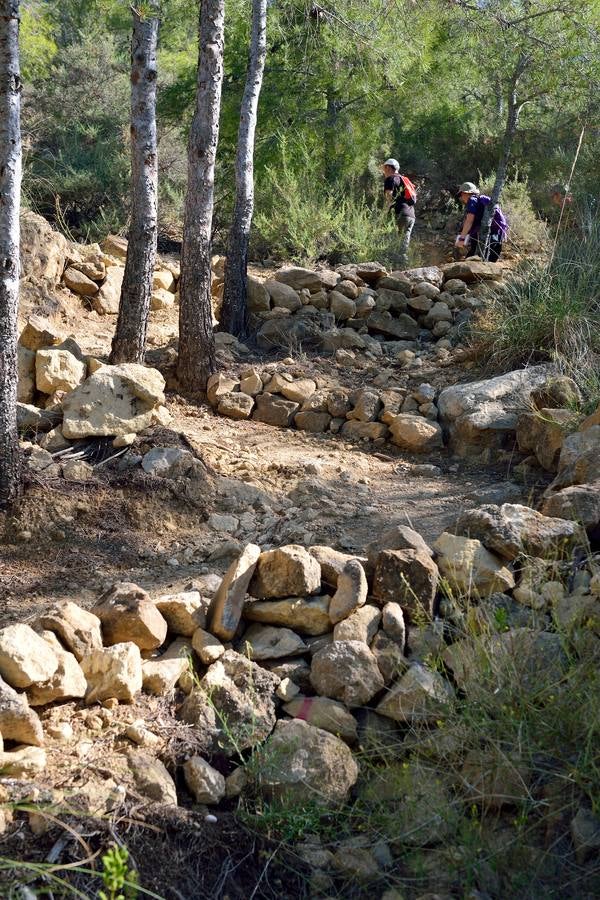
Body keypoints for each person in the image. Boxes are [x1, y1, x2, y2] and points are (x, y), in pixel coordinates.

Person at [455, 182, 508, 262]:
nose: (461, 198)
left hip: (490, 233)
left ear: (465, 193)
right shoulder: (479, 202)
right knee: (489, 261)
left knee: (473, 261)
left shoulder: (472, 200)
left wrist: (462, 239)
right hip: (497, 232)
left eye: (461, 195)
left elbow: (469, 221)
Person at [383, 158, 416, 265]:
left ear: (388, 167)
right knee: (404, 241)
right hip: (411, 215)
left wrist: (384, 213)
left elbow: (389, 197)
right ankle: (403, 265)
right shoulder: (403, 179)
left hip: (399, 213)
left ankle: (391, 265)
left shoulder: (390, 179)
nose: (384, 171)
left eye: (384, 168)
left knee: (392, 239)